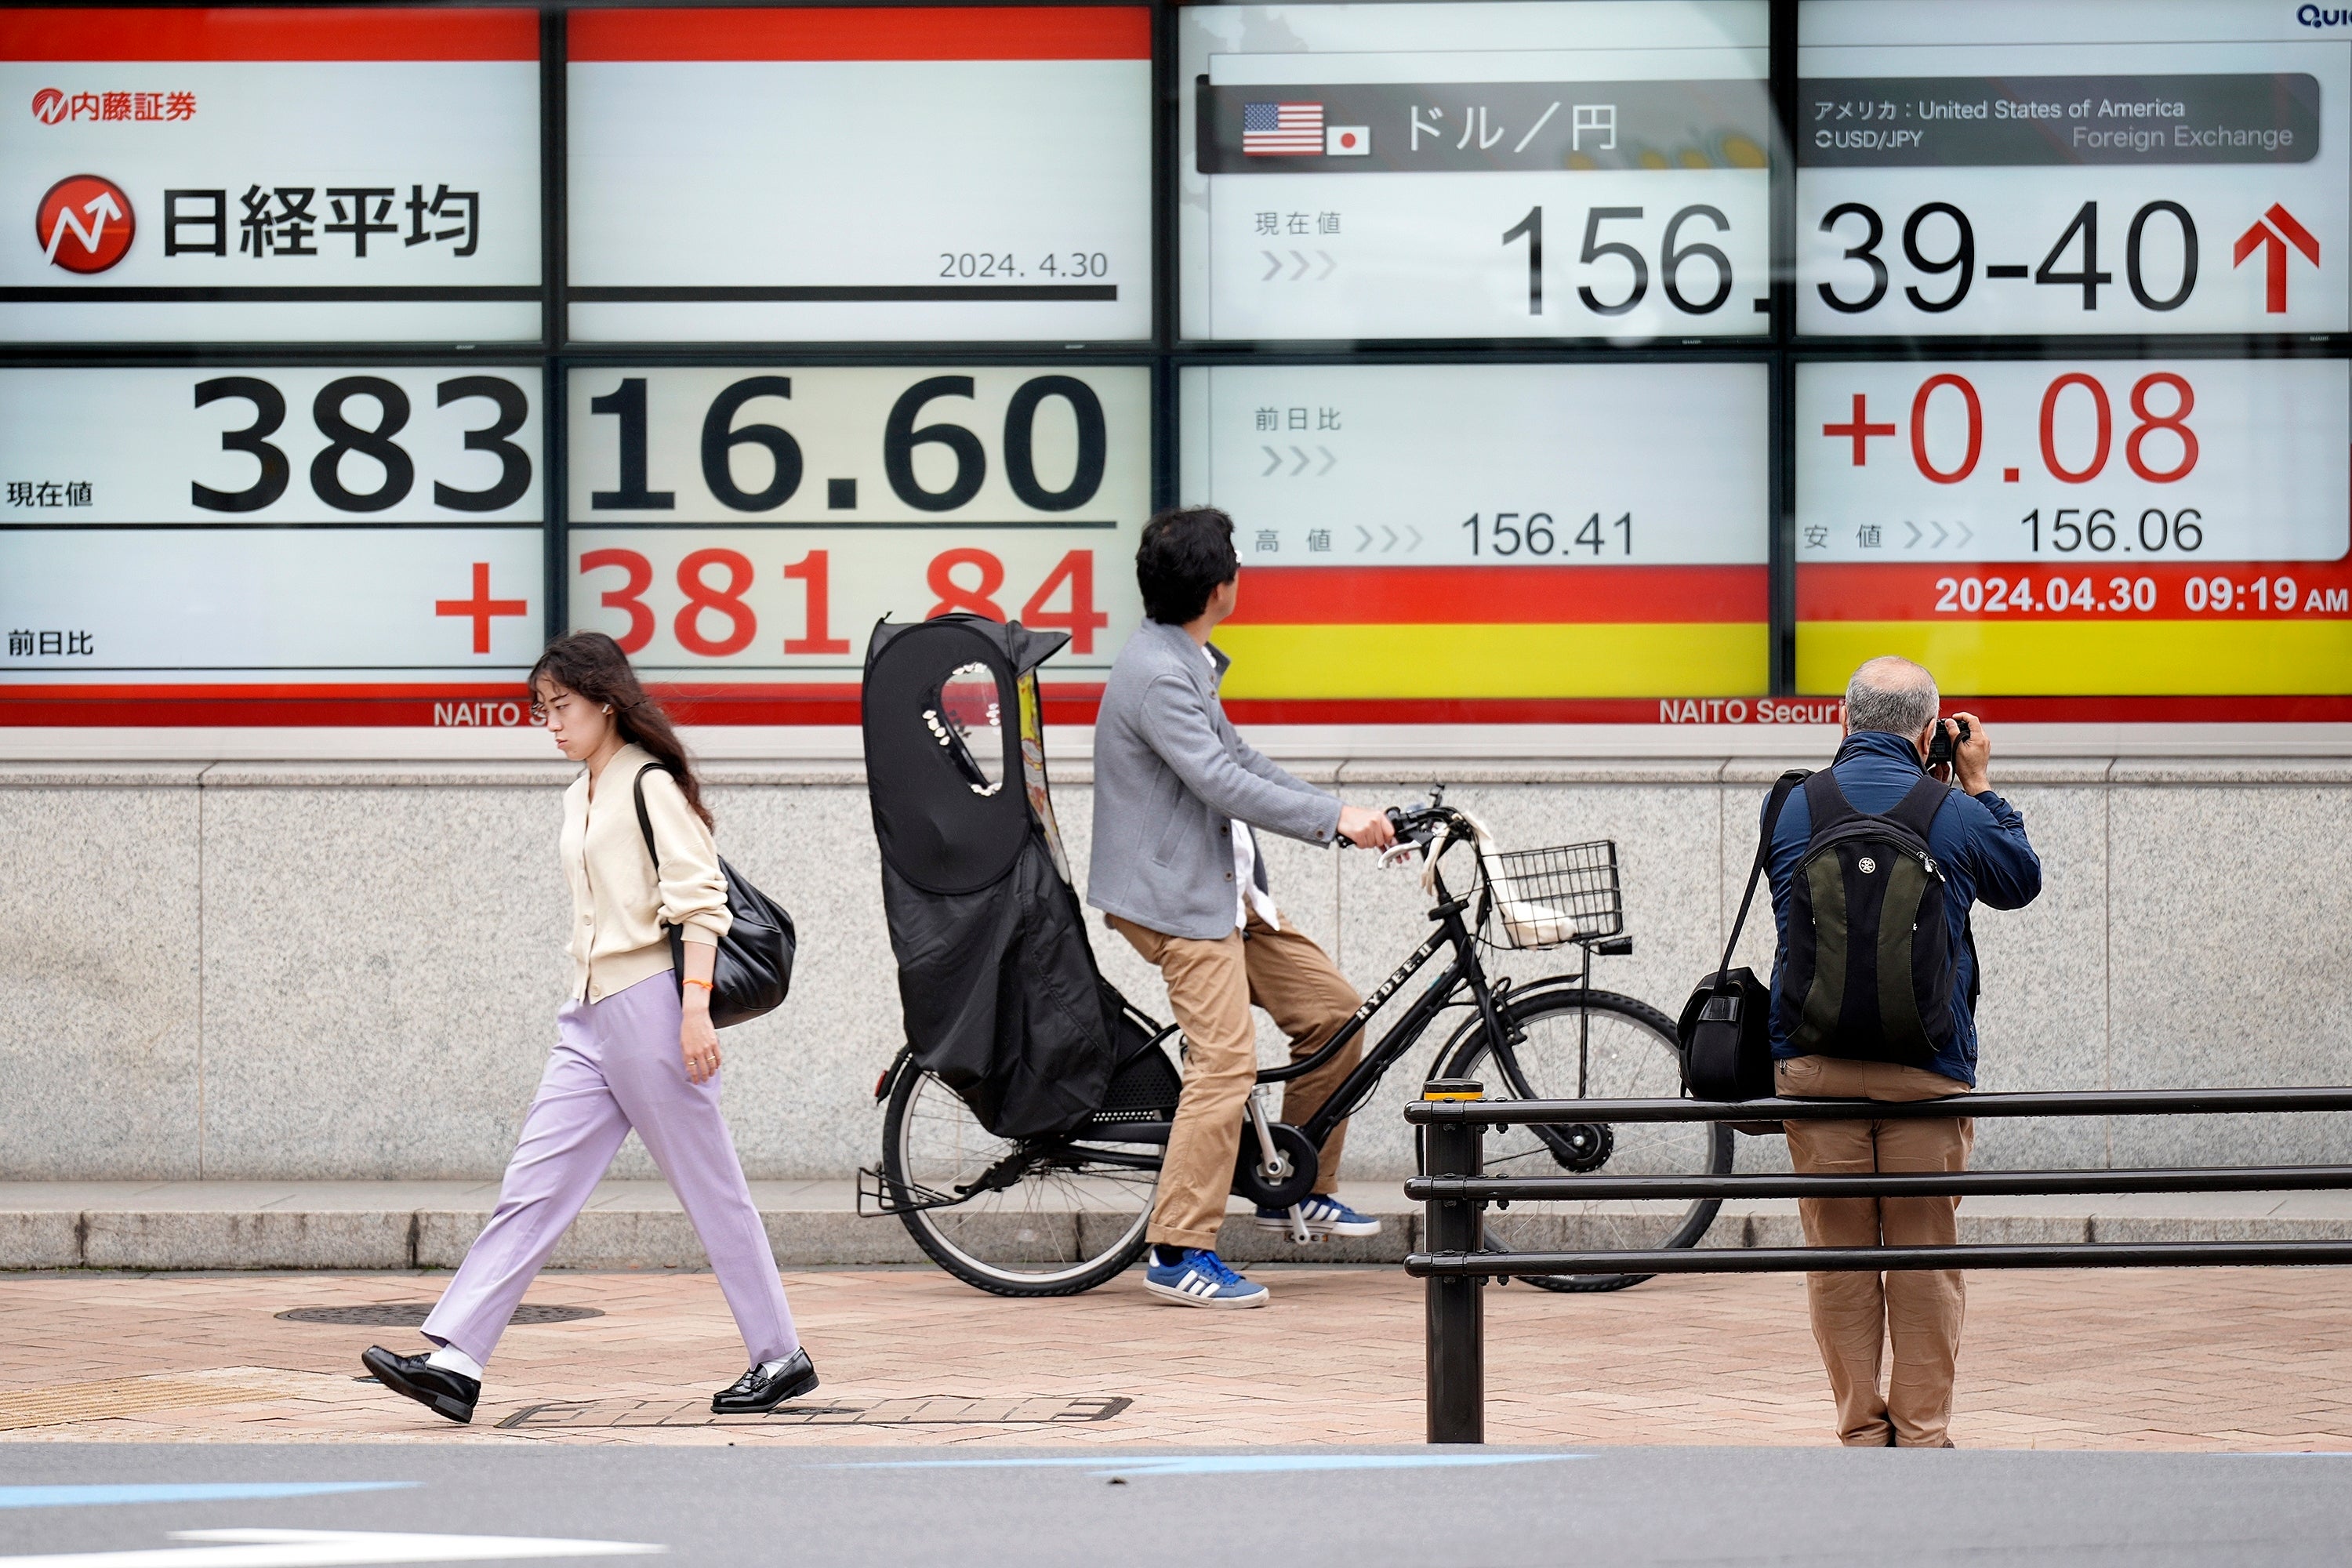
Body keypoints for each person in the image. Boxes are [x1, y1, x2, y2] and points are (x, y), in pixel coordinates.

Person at [362, 632, 815, 1423]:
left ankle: (779, 1355)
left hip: (652, 1007)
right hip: (589, 1013)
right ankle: (458, 1361)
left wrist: (696, 1008)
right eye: (541, 708)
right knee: (531, 1187)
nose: (550, 722)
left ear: (607, 701)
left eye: (561, 706)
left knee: (713, 1192)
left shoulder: (651, 787)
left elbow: (700, 902)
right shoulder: (584, 789)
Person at [1090, 506, 1398, 1308]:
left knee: (1333, 1012)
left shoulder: (1181, 654)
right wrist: (1334, 820)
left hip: (1225, 890)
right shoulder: (1158, 672)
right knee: (1223, 1062)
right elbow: (1219, 782)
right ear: (1220, 588)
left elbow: (1238, 757)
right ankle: (1177, 1247)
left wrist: (1343, 814)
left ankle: (1295, 1188)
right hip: (1176, 900)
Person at [1766, 655, 2041, 1447]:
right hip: (1927, 1071)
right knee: (1924, 1257)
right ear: (1932, 732)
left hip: (1813, 1065)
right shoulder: (1950, 810)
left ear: (1841, 723)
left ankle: (1860, 1430)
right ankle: (1921, 1436)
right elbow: (2019, 879)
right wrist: (1977, 783)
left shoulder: (1792, 805)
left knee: (1840, 1257)